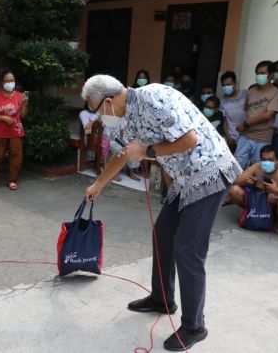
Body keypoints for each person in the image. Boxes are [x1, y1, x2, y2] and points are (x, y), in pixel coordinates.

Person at [82, 74, 241, 351]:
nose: (97, 118)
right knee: (163, 235)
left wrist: (147, 151)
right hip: (183, 178)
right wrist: (99, 183)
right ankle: (162, 299)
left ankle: (194, 326)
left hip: (209, 171)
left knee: (188, 249)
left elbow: (189, 139)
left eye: (96, 112)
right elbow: (122, 154)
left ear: (107, 102)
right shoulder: (121, 119)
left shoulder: (155, 98)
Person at [230, 145, 278, 233]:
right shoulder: (257, 166)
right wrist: (246, 182)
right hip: (258, 202)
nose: (267, 162)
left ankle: (276, 222)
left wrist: (276, 191)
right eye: (264, 160)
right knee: (234, 190)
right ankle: (251, 215)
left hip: (277, 204)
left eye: (271, 160)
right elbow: (236, 182)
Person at [234, 61, 278, 170]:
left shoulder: (277, 93)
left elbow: (267, 115)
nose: (259, 76)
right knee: (236, 168)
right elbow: (247, 112)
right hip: (245, 136)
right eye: (257, 73)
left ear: (270, 75)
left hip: (263, 139)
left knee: (258, 171)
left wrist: (246, 123)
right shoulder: (251, 91)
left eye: (262, 73)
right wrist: (242, 125)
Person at [0, 71, 28, 191]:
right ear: (2, 82)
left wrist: (25, 104)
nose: (10, 83)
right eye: (7, 81)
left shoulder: (20, 96)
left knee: (16, 157)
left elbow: (23, 116)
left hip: (16, 131)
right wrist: (2, 118)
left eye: (12, 80)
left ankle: (12, 180)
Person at [219, 71, 247, 152]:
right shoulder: (222, 101)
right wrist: (228, 137)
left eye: (228, 85)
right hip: (232, 139)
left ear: (235, 84)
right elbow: (224, 120)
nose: (225, 87)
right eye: (223, 85)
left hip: (247, 137)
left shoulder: (246, 94)